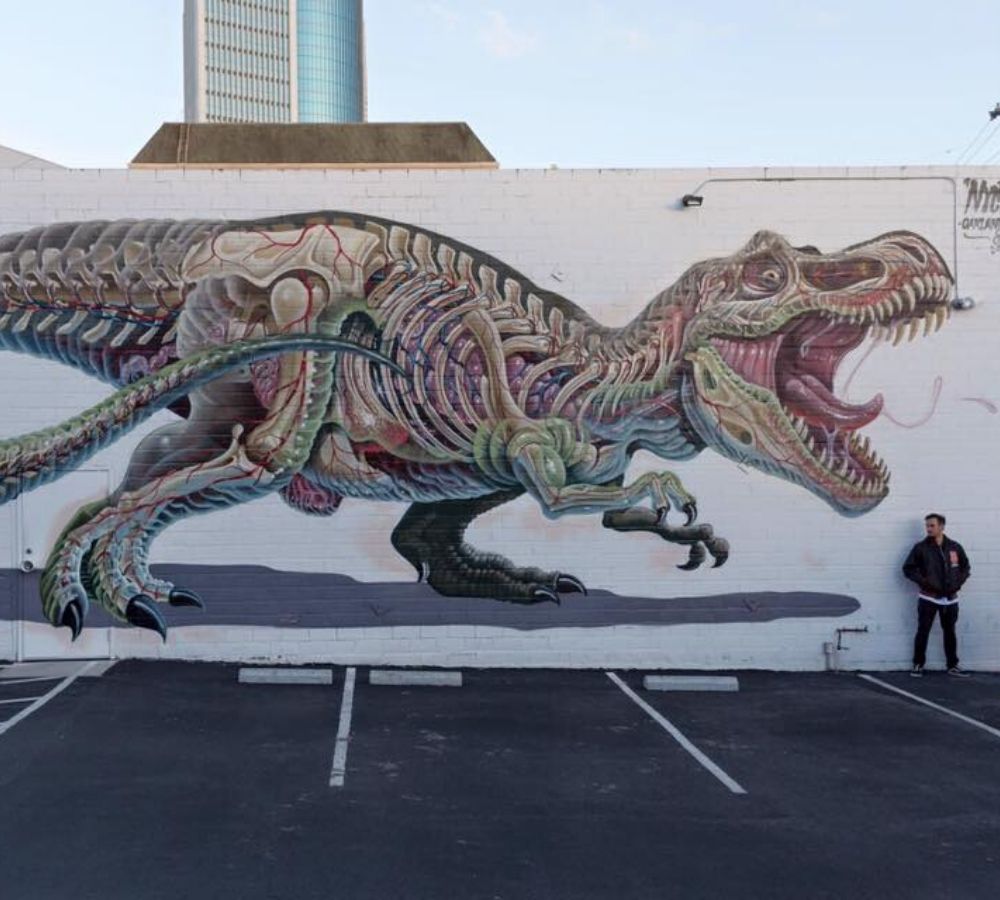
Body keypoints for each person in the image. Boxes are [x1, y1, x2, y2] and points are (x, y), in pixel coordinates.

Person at [902, 513, 971, 677]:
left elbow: (965, 567)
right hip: (929, 598)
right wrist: (925, 582)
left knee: (950, 632)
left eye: (932, 525)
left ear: (941, 526)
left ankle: (952, 665)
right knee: (923, 630)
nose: (928, 529)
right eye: (927, 526)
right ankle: (918, 664)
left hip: (951, 599)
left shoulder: (954, 547)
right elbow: (908, 569)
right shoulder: (921, 548)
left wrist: (957, 584)